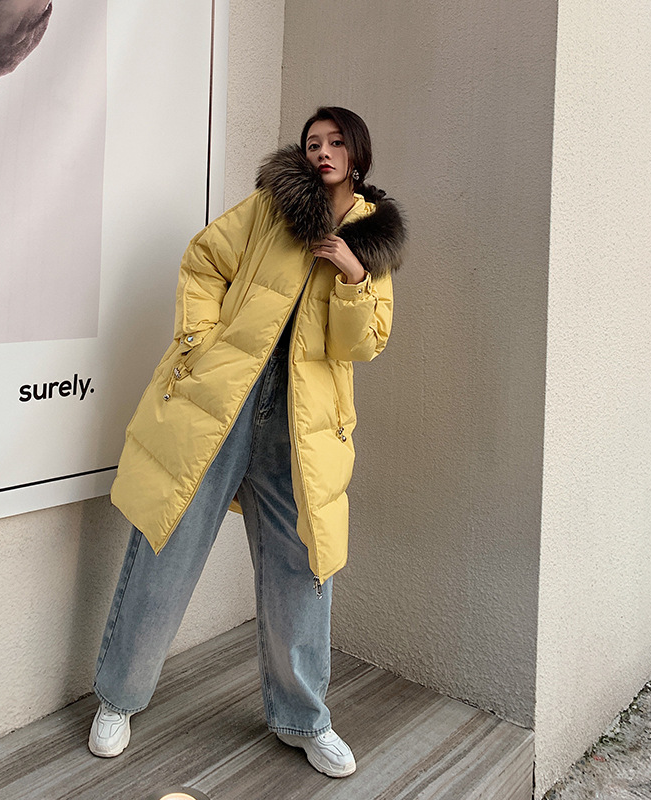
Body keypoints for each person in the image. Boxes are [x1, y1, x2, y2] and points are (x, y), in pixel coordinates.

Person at [88, 106, 405, 778]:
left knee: (303, 567)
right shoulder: (270, 208)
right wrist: (199, 343)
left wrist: (352, 274)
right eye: (313, 142)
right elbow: (204, 260)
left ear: (357, 153)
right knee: (166, 542)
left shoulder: (373, 242)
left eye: (336, 142)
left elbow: (363, 345)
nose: (322, 151)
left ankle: (304, 719)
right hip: (223, 402)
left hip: (302, 425)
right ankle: (118, 699)